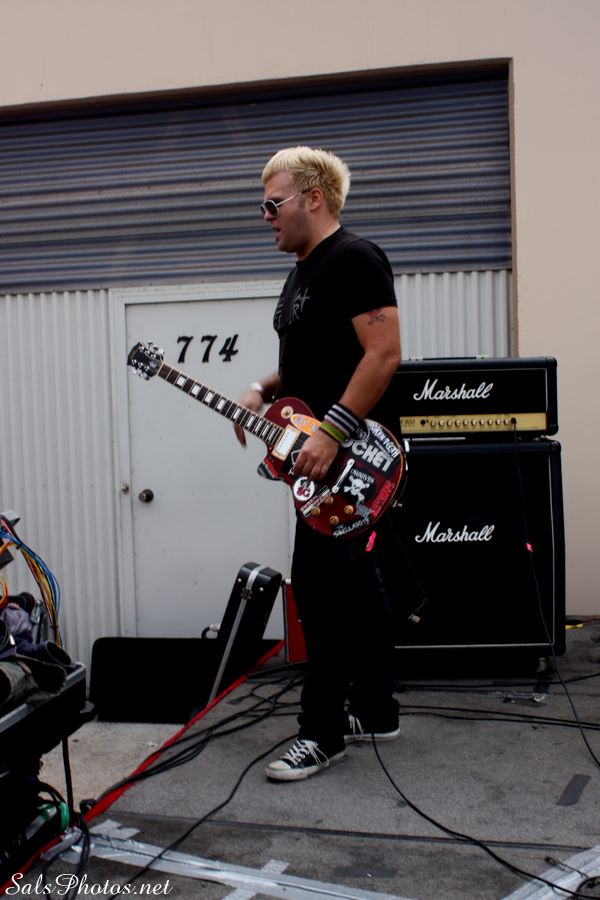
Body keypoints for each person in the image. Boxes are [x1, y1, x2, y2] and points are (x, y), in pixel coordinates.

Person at [235, 146, 402, 782]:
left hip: (347, 459)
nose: (265, 216)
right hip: (320, 460)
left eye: (272, 203)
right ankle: (377, 710)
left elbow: (382, 353)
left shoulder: (355, 257)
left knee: (321, 590)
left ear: (313, 198)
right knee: (358, 584)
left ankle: (322, 733)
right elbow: (313, 361)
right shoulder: (300, 274)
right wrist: (264, 386)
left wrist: (333, 431)